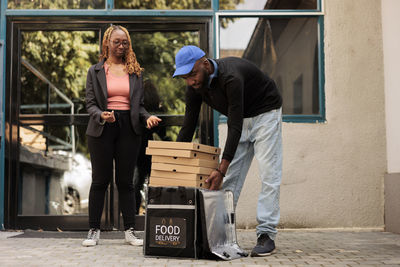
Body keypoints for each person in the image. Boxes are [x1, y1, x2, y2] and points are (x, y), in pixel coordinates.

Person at [173, 45, 282, 257]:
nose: (190, 81)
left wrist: (221, 168)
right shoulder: (195, 87)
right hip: (240, 120)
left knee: (269, 174)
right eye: (185, 77)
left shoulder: (231, 76)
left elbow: (234, 125)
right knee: (230, 181)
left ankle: (266, 234)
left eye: (193, 74)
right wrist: (174, 164)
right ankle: (219, 235)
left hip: (265, 114)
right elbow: (188, 125)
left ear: (205, 64)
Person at [83, 25, 161, 247]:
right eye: (117, 41)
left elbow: (140, 106)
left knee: (126, 181)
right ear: (107, 42)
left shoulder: (135, 71)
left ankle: (129, 231)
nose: (121, 45)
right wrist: (101, 115)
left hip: (129, 127)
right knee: (100, 180)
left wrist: (147, 117)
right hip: (102, 127)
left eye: (125, 42)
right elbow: (89, 104)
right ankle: (93, 230)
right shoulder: (95, 71)